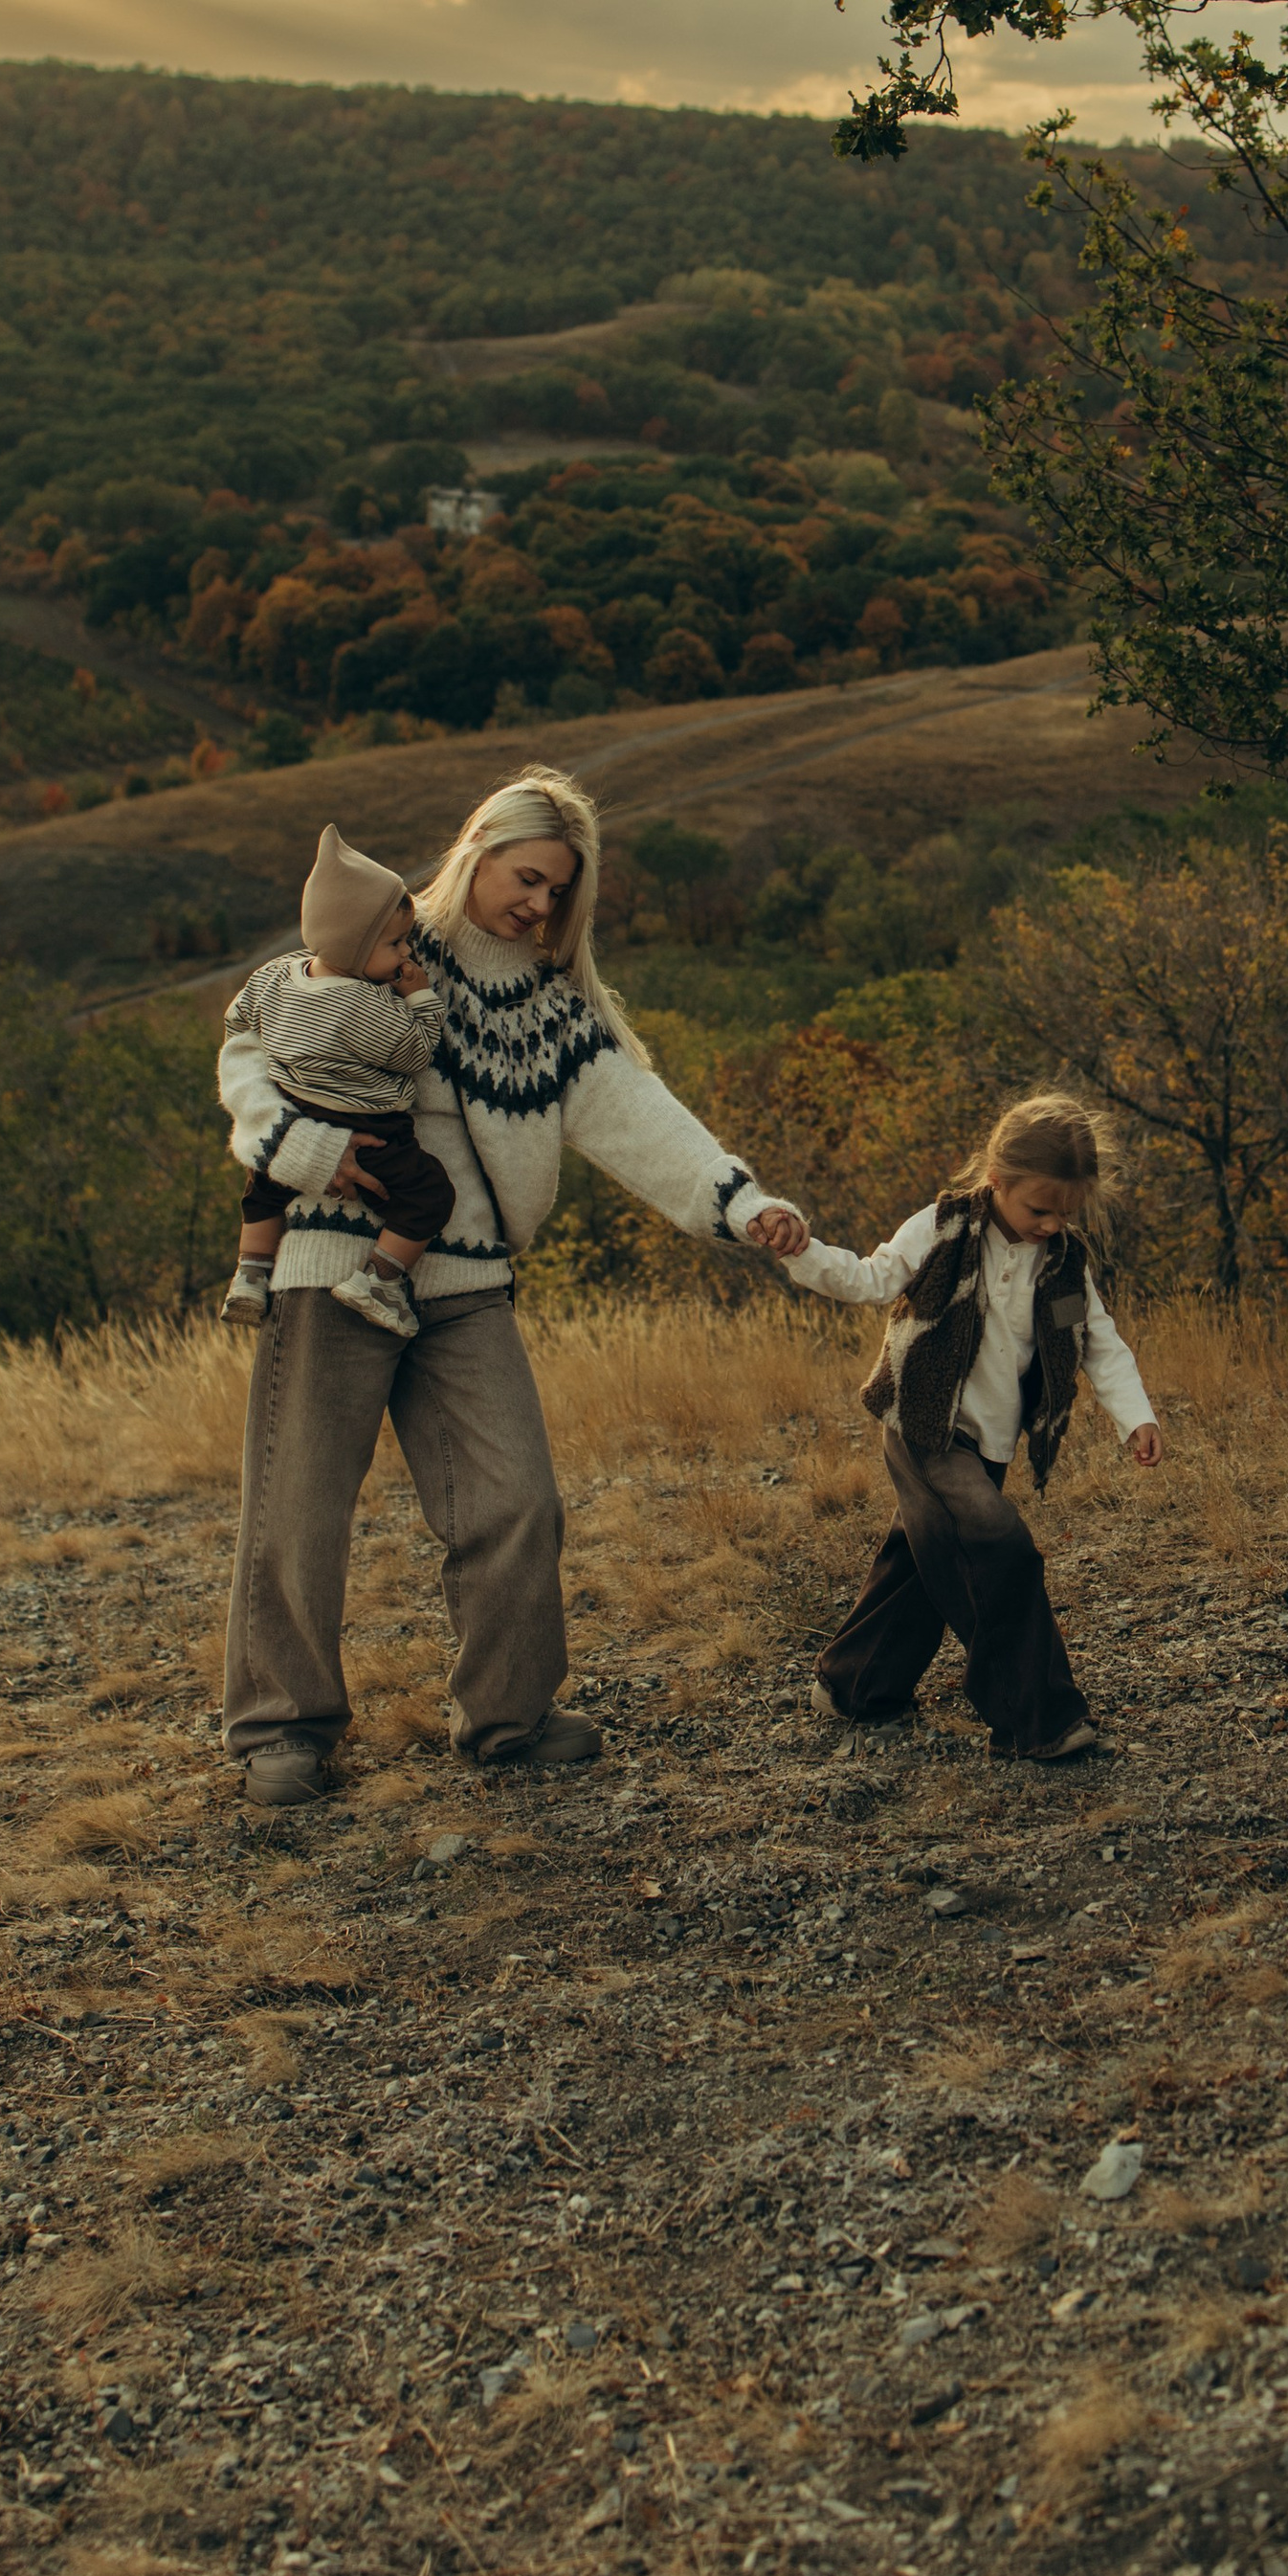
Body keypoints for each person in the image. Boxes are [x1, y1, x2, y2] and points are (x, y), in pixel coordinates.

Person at [214, 764, 807, 1803]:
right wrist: (299, 1148)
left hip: (464, 1285)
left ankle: (507, 1717)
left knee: (517, 1501)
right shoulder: (383, 943)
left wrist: (737, 1199)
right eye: (527, 878)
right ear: (476, 849)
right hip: (327, 1261)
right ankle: (283, 1729)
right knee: (298, 1507)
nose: (539, 904)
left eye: (558, 893)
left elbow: (638, 1111)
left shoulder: (552, 1012)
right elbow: (250, 1044)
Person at [777, 1092, 1161, 1761]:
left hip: (988, 1444)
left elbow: (1096, 1341)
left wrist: (1137, 1417)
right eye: (1037, 1208)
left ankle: (853, 1685)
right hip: (922, 1427)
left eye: (1063, 1212)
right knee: (997, 1546)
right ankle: (1038, 1720)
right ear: (996, 1179)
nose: (1050, 1224)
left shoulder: (1063, 1263)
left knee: (923, 1567)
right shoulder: (945, 1228)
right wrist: (801, 1250)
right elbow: (870, 1277)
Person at [220, 824, 455, 1339]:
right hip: (369, 1129)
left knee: (263, 1188)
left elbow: (238, 1019)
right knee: (429, 1194)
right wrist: (419, 998)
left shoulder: (278, 974)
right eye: (395, 943)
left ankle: (249, 1275)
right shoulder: (363, 1005)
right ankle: (379, 1282)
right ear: (355, 945)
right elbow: (416, 1052)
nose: (405, 955)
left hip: (296, 1115)